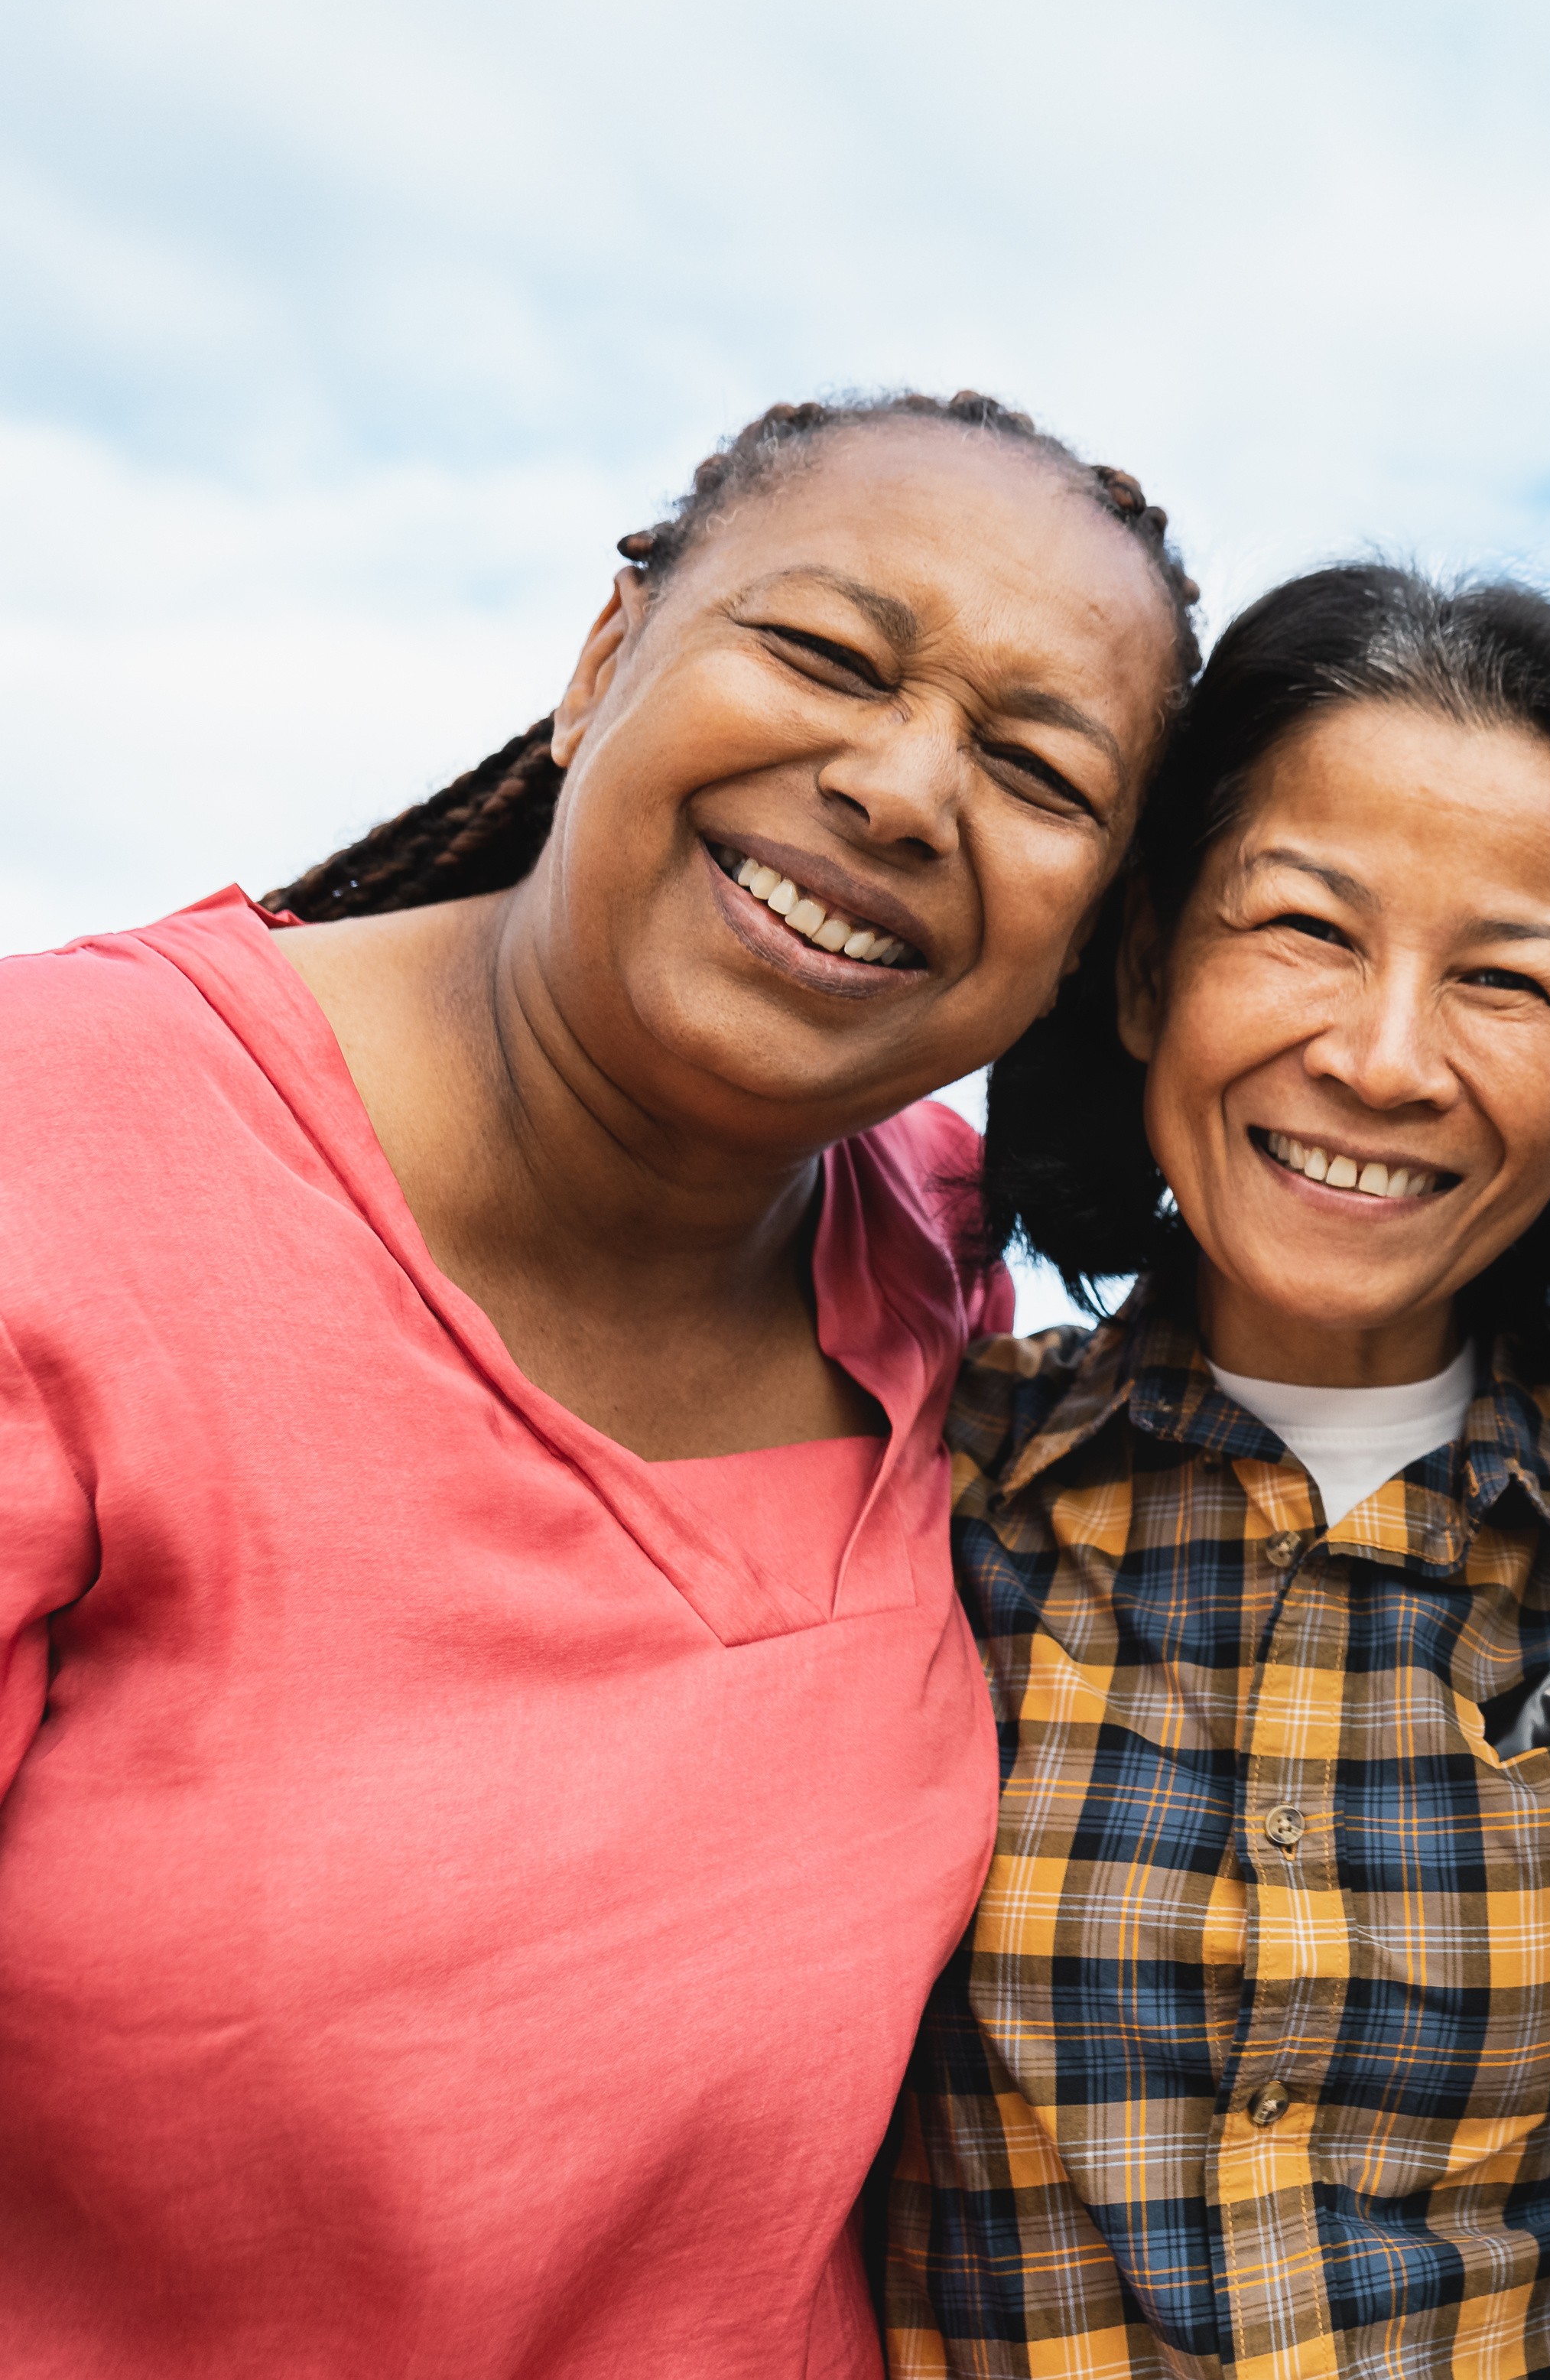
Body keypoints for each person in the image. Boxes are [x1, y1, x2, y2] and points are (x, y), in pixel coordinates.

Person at [0, 392, 1203, 2375]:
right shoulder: (65, 1154)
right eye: (826, 654)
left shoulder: (945, 1274)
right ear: (601, 660)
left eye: (1036, 767)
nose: (905, 787)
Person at [882, 565, 1550, 2380]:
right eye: (1306, 930)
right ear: (1145, 963)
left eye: (1502, 979)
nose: (1383, 1056)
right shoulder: (907, 1486)